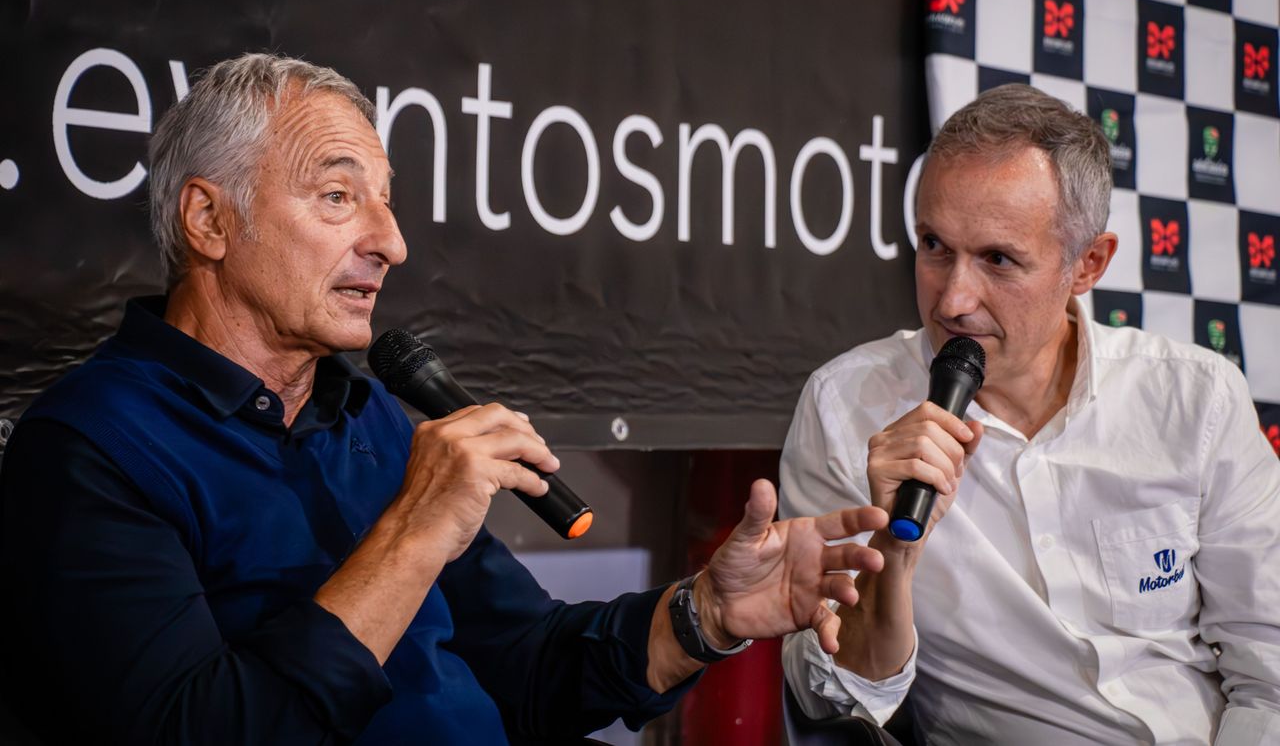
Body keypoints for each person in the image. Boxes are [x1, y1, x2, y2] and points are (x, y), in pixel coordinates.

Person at [0, 53, 889, 745]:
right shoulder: (89, 450)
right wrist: (412, 532)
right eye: (338, 196)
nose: (390, 242)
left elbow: (531, 665)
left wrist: (706, 615)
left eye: (386, 204)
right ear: (209, 220)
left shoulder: (367, 417)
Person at [779, 84, 1280, 745]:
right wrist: (892, 555)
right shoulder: (845, 407)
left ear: (1088, 264)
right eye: (934, 245)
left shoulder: (1197, 399)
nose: (952, 301)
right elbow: (831, 700)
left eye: (997, 259)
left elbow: (1268, 670)